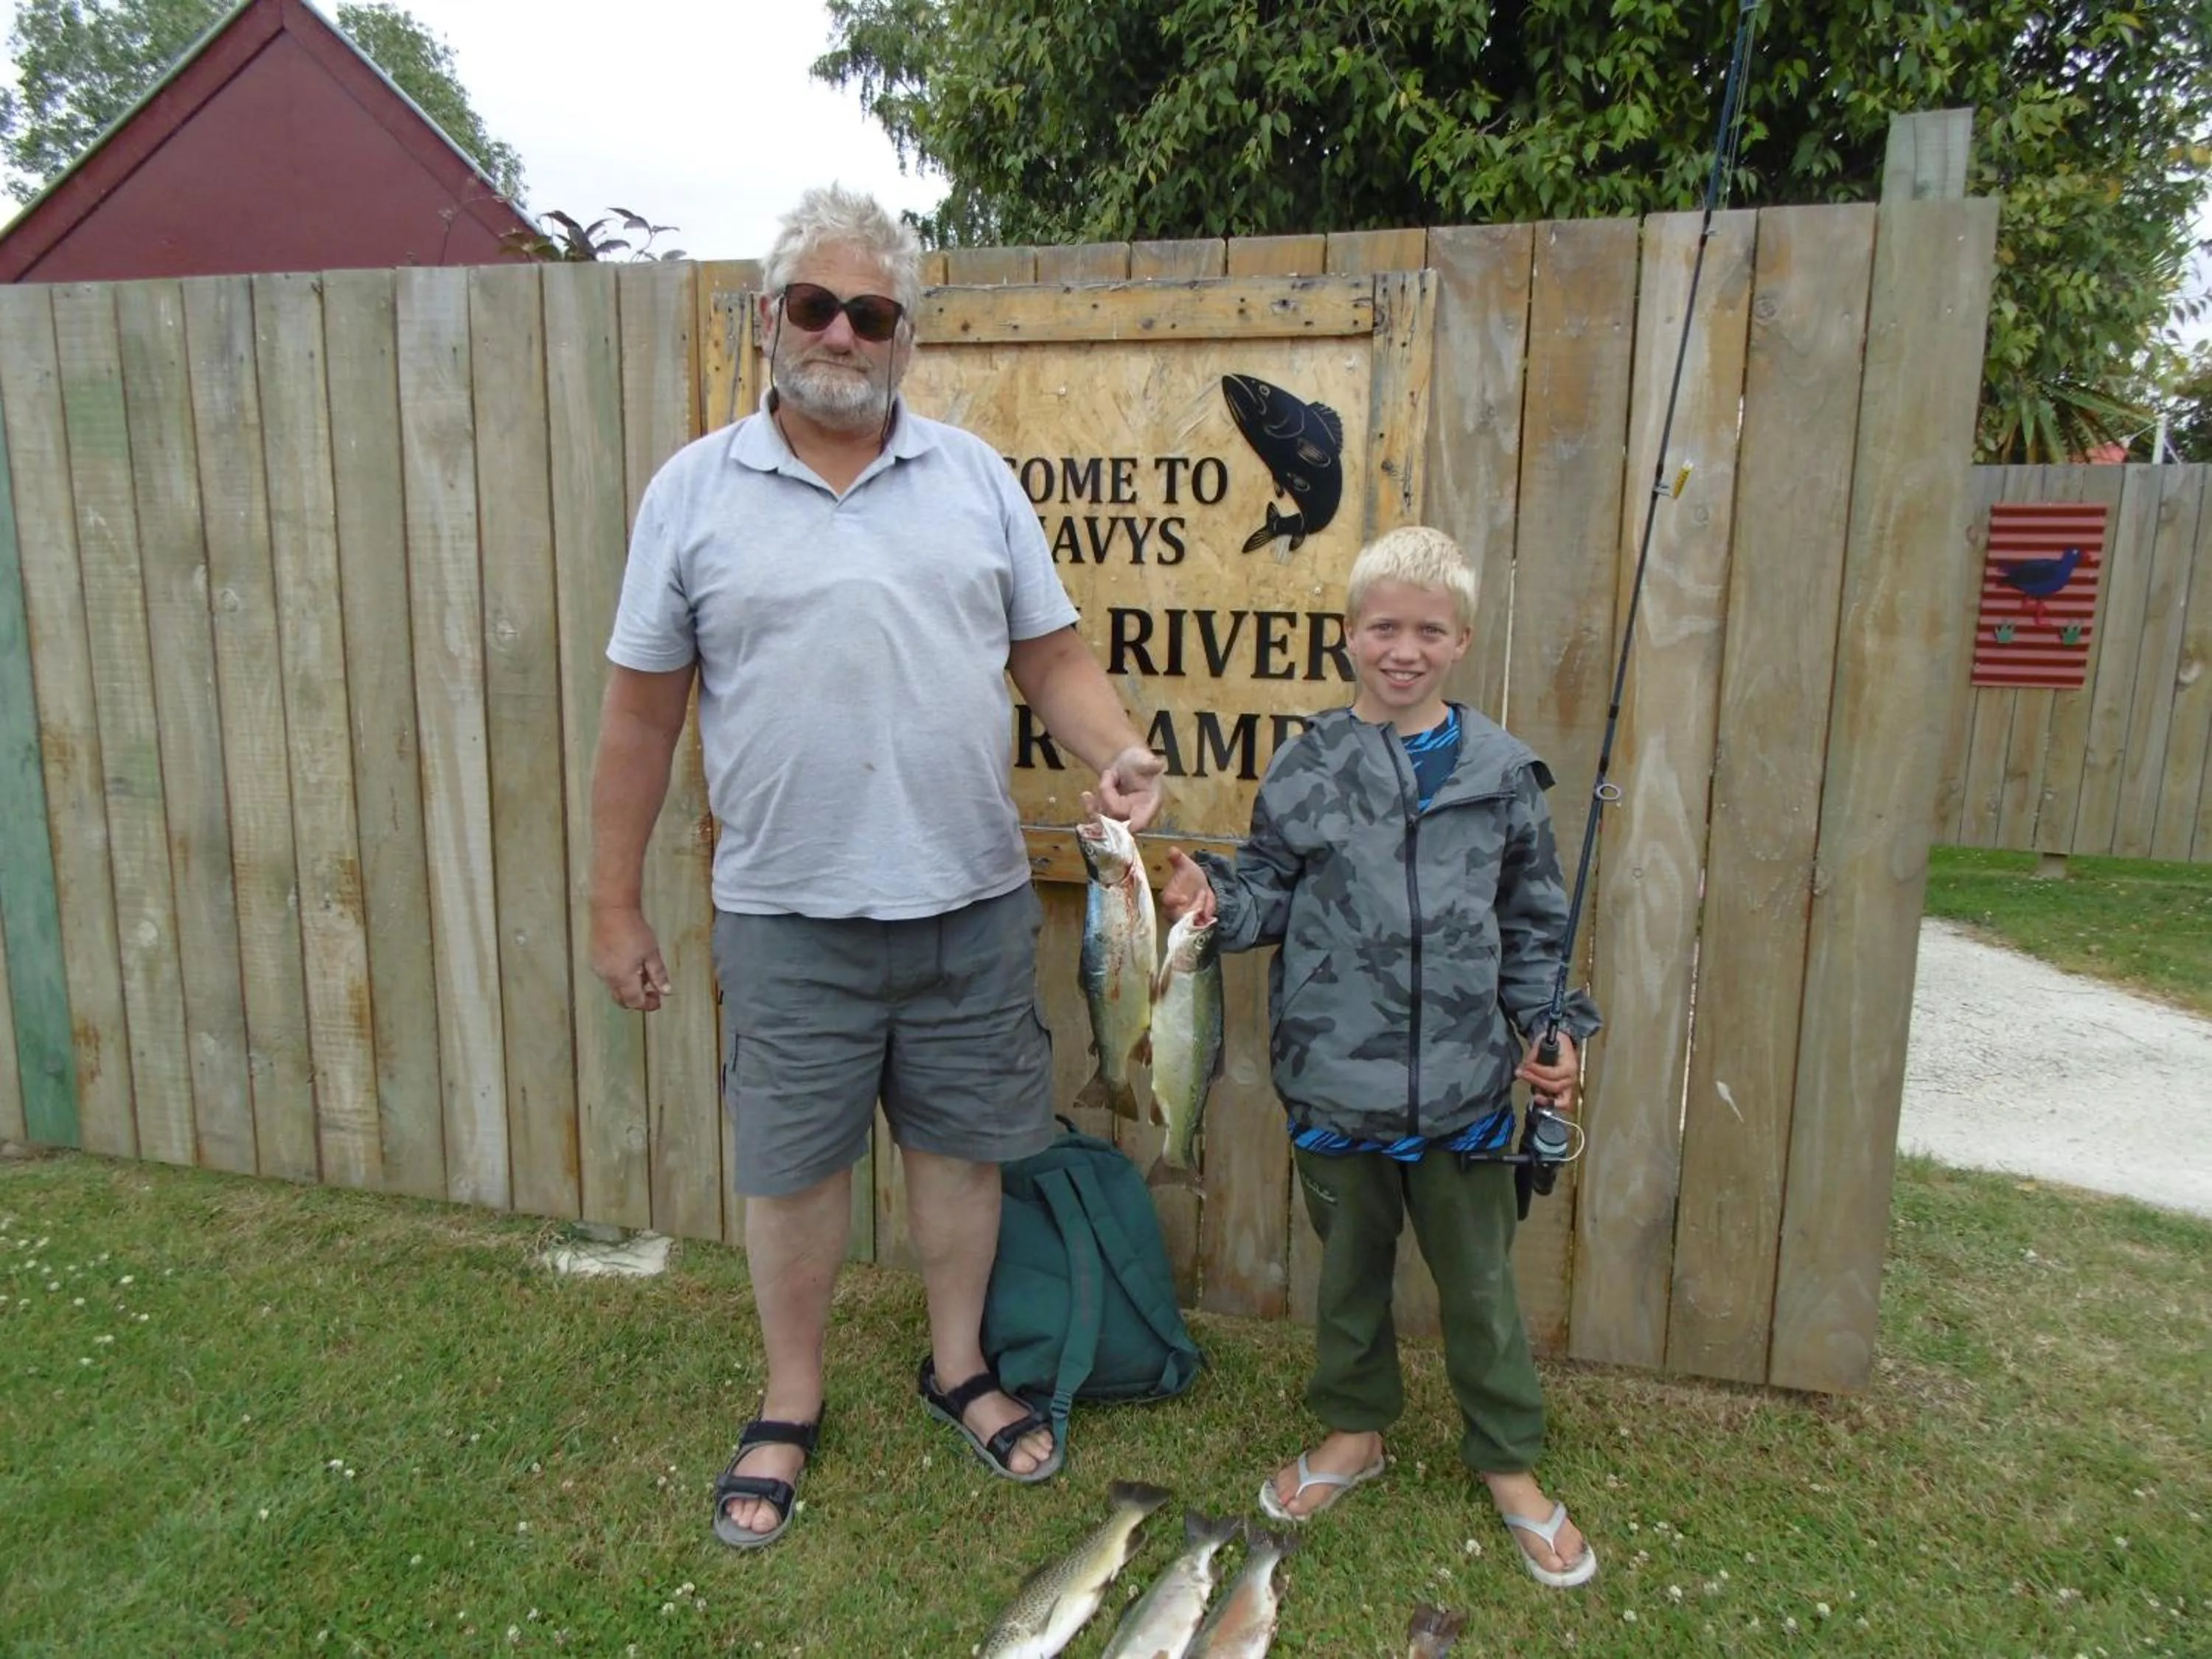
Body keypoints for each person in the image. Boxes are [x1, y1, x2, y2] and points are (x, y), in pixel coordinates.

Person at [587, 184, 1165, 1551]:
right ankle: (791, 1398)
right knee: (792, 1174)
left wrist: (1120, 752)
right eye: (815, 307)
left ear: (908, 339)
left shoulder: (975, 480)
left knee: (961, 1159)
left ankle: (958, 1363)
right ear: (770, 320)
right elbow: (638, 716)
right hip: (786, 911)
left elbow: (1052, 659)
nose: (840, 333)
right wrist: (612, 903)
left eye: (872, 313)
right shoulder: (694, 493)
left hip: (967, 898)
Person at [1158, 524, 1601, 1587]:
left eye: (1429, 631)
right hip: (1335, 1088)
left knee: (1481, 1286)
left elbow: (1535, 926)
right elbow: (1266, 883)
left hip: (1464, 1095)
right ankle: (1353, 1433)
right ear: (1350, 634)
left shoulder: (1502, 776)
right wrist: (1216, 900)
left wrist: (1557, 1034)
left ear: (1462, 641)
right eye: (1383, 627)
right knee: (1348, 1281)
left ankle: (1509, 1461)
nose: (1404, 648)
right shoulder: (1309, 764)